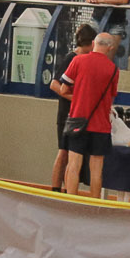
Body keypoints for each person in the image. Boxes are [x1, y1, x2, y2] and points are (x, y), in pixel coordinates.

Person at [50, 30, 121, 199]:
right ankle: (94, 204)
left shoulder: (78, 60)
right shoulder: (113, 70)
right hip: (101, 126)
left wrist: (80, 96)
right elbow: (111, 96)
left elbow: (63, 89)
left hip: (78, 121)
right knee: (96, 170)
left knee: (73, 165)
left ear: (94, 43)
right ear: (110, 48)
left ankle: (71, 202)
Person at [49, 21, 98, 191]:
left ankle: (65, 189)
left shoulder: (85, 60)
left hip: (77, 114)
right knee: (63, 153)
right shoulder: (72, 58)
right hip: (66, 114)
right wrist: (75, 98)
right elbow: (54, 84)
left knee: (70, 155)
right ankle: (56, 189)